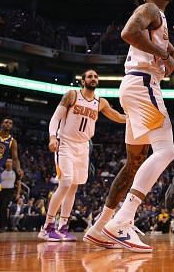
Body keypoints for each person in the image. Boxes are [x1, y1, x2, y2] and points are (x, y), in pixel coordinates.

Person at [85, 0, 174, 252]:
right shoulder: (148, 9)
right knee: (167, 151)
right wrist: (160, 54)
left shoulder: (161, 21)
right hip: (143, 83)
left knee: (134, 162)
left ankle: (99, 228)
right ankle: (122, 221)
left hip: (135, 86)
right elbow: (128, 33)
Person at [40, 69, 126, 242]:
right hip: (65, 143)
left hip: (83, 147)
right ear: (82, 80)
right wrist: (52, 137)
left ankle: (63, 226)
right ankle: (47, 226)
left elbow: (116, 116)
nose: (93, 79)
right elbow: (55, 118)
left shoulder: (100, 102)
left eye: (95, 76)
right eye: (89, 76)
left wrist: (133, 118)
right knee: (65, 183)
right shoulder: (72, 95)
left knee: (73, 186)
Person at [0, 159, 18, 231]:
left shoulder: (15, 172)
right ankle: (1, 225)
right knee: (0, 208)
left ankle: (6, 225)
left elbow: (18, 183)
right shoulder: (2, 172)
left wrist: (18, 193)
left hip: (10, 192)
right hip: (1, 191)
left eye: (10, 162)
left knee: (4, 207)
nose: (9, 163)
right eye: (7, 162)